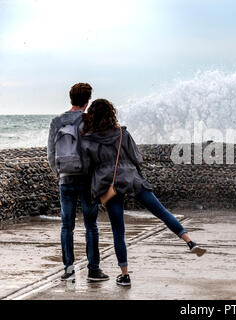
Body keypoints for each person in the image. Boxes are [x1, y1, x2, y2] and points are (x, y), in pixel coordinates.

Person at [80, 98, 206, 286]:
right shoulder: (122, 134)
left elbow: (87, 166)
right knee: (161, 212)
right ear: (111, 114)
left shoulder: (89, 140)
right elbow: (136, 158)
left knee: (118, 231)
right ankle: (189, 241)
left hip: (109, 185)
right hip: (132, 177)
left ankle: (125, 275)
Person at [47, 83, 109, 282]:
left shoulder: (57, 121)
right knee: (91, 225)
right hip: (87, 179)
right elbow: (97, 151)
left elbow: (50, 153)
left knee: (67, 226)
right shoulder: (89, 120)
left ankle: (69, 269)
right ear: (88, 100)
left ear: (70, 98)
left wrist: (59, 173)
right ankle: (93, 270)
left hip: (65, 179)